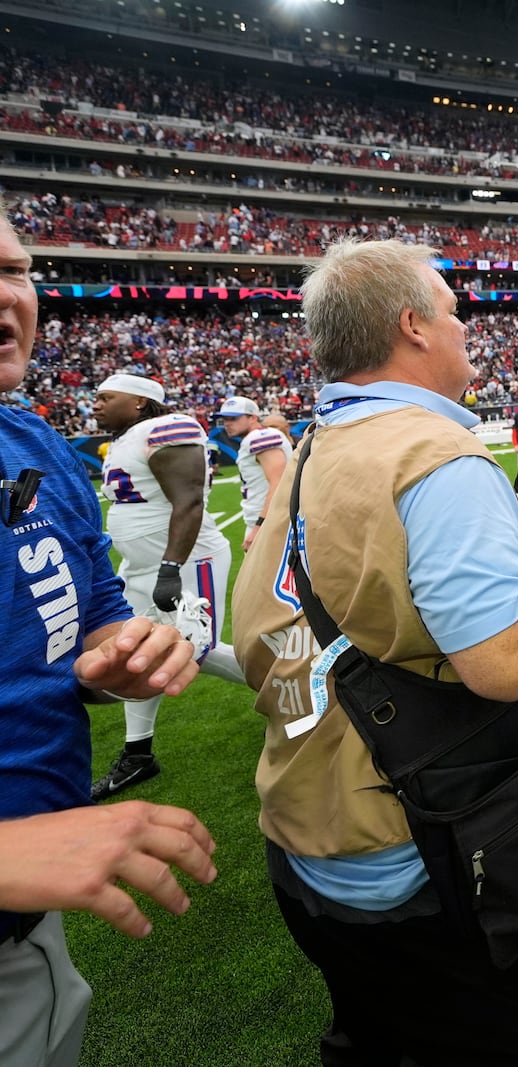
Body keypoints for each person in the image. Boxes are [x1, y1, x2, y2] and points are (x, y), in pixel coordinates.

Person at [232, 238, 518, 1066]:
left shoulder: (310, 450)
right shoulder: (433, 454)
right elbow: (504, 663)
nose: (466, 330)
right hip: (423, 844)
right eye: (455, 313)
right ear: (413, 325)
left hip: (312, 835)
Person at [0, 214, 216, 1067]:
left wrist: (109, 659)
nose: (5, 295)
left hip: (31, 911)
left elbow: (90, 614)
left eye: (16, 269)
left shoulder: (36, 443)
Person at [90, 373, 249, 801]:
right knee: (135, 649)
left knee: (191, 649)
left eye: (106, 397)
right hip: (143, 563)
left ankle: (300, 686)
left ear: (141, 402)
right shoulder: (125, 439)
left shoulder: (163, 428)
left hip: (187, 560)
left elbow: (190, 500)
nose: (96, 404)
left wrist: (169, 567)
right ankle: (138, 753)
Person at [217, 395, 291, 552]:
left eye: (234, 418)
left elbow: (279, 483)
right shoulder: (256, 437)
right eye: (225, 419)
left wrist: (259, 526)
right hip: (270, 520)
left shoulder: (260, 437)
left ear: (253, 418)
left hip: (270, 523)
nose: (227, 423)